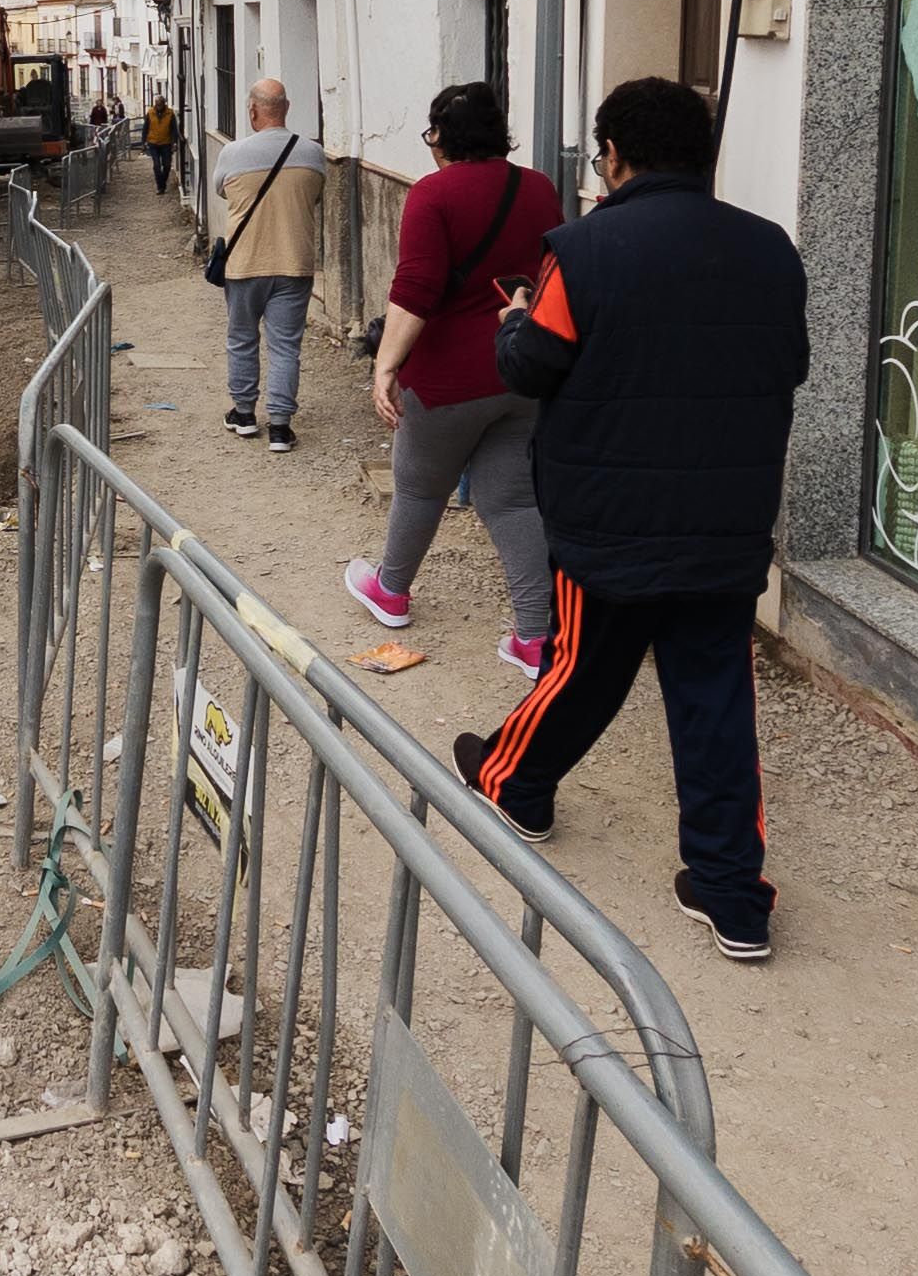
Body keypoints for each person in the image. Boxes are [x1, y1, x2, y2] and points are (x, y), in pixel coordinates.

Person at [454, 78, 808, 966]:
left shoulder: (583, 251)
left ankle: (516, 782)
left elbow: (534, 366)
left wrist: (510, 323)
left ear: (611, 155)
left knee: (585, 665)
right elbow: (789, 362)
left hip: (609, 518)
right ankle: (732, 895)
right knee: (715, 700)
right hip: (726, 520)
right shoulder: (771, 250)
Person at [343, 83, 563, 677]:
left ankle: (391, 591)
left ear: (440, 136)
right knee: (513, 500)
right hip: (522, 368)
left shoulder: (432, 194)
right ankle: (535, 638)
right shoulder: (539, 186)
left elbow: (414, 290)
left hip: (447, 377)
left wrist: (385, 366)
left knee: (419, 485)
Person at [214, 78, 327, 453]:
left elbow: (222, 190)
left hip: (245, 262)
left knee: (242, 339)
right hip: (294, 264)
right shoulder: (312, 154)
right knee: (285, 347)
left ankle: (244, 414)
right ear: (287, 108)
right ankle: (280, 426)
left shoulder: (232, 153)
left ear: (252, 111)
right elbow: (315, 195)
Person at [142, 97, 179, 194]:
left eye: (160, 105)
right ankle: (160, 187)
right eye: (157, 105)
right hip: (153, 143)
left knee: (167, 165)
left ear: (164, 104)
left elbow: (174, 129)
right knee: (157, 165)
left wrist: (174, 142)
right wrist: (144, 142)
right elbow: (145, 128)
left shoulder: (170, 113)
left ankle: (163, 183)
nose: (159, 107)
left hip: (166, 143)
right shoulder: (150, 113)